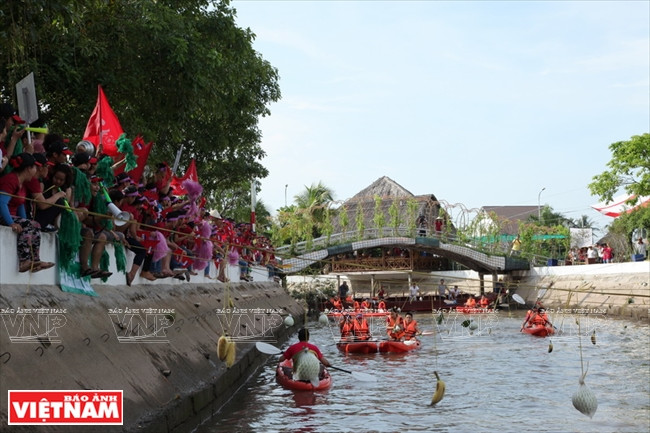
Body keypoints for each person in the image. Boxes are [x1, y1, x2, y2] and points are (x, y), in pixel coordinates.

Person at [0, 153, 54, 272]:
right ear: (28, 168)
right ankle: (24, 261)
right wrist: (11, 223)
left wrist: (27, 221)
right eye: (34, 167)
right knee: (30, 225)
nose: (36, 171)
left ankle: (35, 260)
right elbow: (2, 203)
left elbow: (20, 205)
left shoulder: (22, 183)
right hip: (2, 215)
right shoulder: (10, 180)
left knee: (35, 225)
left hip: (12, 215)